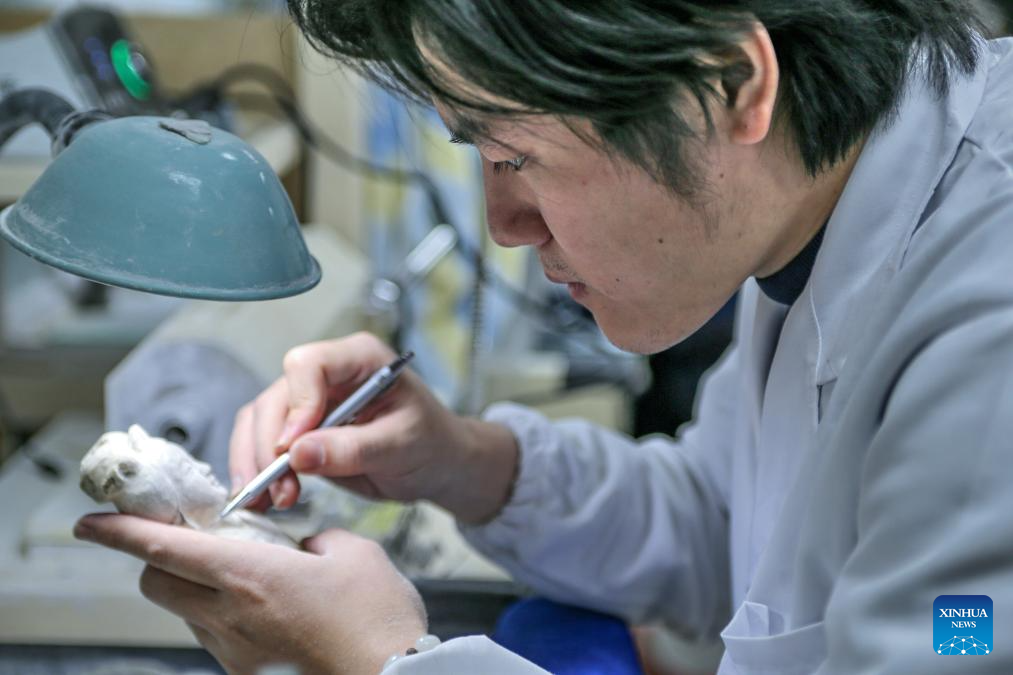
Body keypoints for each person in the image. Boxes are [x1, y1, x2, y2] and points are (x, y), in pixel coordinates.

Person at [73, 1, 1013, 673]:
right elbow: (726, 526)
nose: (505, 226)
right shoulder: (814, 206)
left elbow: (953, 639)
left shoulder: (987, 322)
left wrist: (381, 658)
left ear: (730, 84)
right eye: (480, 158)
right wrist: (461, 462)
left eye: (515, 155)